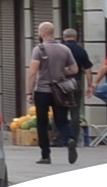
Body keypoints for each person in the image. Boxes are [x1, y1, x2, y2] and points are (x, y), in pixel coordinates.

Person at [26, 20, 80, 165]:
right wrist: (63, 71)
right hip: (60, 90)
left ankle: (45, 155)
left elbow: (33, 72)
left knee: (42, 123)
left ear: (42, 33)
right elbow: (75, 69)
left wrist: (29, 92)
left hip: (42, 91)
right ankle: (69, 139)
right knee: (62, 120)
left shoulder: (39, 49)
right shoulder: (64, 49)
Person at [61, 29, 94, 145]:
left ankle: (58, 138)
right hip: (76, 83)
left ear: (64, 37)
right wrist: (90, 86)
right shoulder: (81, 51)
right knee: (75, 112)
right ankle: (73, 139)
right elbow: (88, 70)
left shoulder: (60, 49)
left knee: (59, 110)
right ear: (76, 37)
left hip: (61, 83)